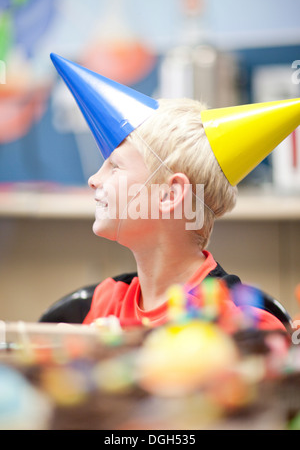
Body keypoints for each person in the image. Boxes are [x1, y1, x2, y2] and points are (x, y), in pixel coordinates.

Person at [50, 53, 300, 332]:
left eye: (115, 167)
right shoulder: (99, 305)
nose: (94, 179)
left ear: (171, 194)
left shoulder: (244, 327)